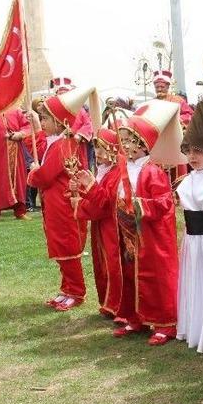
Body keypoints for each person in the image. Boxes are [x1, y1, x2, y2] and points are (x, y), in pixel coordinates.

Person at [108, 100, 183, 345]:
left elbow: (164, 203)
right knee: (130, 273)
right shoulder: (124, 167)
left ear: (142, 144)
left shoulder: (152, 171)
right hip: (128, 229)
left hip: (150, 234)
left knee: (155, 276)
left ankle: (165, 322)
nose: (126, 145)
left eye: (131, 140)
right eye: (125, 140)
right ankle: (134, 316)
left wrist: (139, 206)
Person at [27, 87, 92, 312]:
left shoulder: (62, 145)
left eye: (45, 119)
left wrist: (34, 172)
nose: (42, 123)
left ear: (59, 121)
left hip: (64, 206)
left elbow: (45, 176)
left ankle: (76, 291)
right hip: (55, 205)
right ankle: (66, 288)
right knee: (60, 249)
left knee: (68, 249)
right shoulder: (56, 142)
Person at [174, 100, 203, 353]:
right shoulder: (189, 178)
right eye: (189, 150)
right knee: (195, 282)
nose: (192, 156)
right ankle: (193, 325)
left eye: (199, 150)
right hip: (193, 241)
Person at [71, 128, 123, 321]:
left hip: (111, 227)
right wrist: (82, 192)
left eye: (102, 149)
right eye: (96, 148)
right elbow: (96, 198)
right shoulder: (103, 171)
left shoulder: (116, 173)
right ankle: (108, 303)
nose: (98, 154)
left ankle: (118, 305)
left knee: (113, 265)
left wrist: (89, 187)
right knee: (101, 264)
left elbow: (104, 204)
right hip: (101, 227)